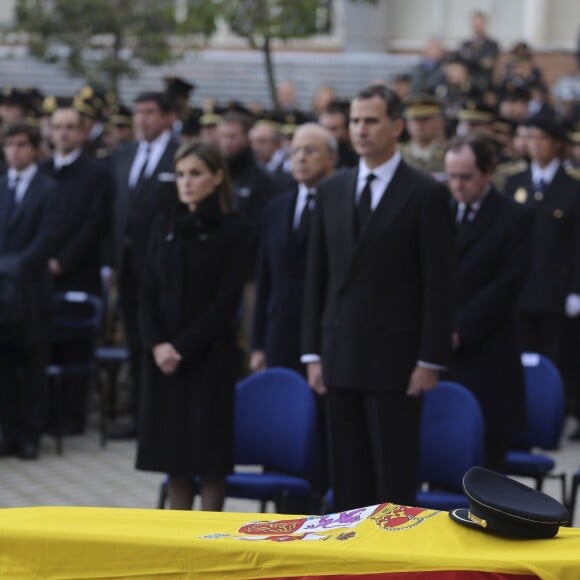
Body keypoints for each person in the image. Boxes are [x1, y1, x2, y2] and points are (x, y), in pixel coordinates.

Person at [301, 85, 455, 511]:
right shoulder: (332, 191)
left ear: (397, 127)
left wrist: (429, 360)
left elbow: (439, 285)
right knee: (347, 483)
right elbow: (317, 278)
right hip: (340, 355)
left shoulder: (425, 193)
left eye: (371, 121)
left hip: (397, 362)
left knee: (392, 485)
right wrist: (312, 353)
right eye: (354, 121)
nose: (360, 130)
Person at [136, 141, 251, 511]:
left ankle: (210, 545)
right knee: (175, 462)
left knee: (210, 460)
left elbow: (226, 302)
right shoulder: (165, 223)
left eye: (196, 174)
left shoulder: (235, 229)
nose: (186, 183)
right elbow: (147, 290)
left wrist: (182, 347)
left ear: (217, 178)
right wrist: (157, 344)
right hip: (164, 359)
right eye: (181, 174)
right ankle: (177, 546)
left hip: (208, 359)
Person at [444, 135, 533, 472]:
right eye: (452, 177)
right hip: (443, 359)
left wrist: (460, 329)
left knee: (486, 472)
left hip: (489, 357)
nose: (458, 185)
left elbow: (507, 286)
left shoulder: (515, 218)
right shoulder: (440, 211)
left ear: (487, 172)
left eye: (465, 177)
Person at [503, 112, 580, 434]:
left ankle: (562, 413)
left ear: (557, 143)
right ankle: (525, 416)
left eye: (542, 138)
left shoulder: (572, 186)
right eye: (530, 137)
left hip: (556, 287)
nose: (534, 145)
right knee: (522, 356)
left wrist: (577, 289)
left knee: (559, 356)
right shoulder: (514, 182)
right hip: (521, 287)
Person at [111, 91, 180, 439]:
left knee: (159, 341)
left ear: (168, 117)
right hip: (127, 269)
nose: (142, 119)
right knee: (135, 344)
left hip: (162, 268)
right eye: (138, 113)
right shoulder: (123, 155)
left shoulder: (179, 153)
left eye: (150, 113)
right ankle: (139, 418)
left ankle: (160, 420)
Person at [40, 105, 112, 434]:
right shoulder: (42, 171)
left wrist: (62, 262)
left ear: (83, 132)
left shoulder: (96, 173)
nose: (64, 133)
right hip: (39, 274)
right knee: (42, 346)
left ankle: (71, 418)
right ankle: (44, 414)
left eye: (71, 127)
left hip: (78, 272)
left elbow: (93, 225)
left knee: (75, 346)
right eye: (58, 127)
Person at [0, 122, 62, 459]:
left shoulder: (48, 189)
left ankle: (30, 435)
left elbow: (49, 238)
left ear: (36, 148)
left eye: (21, 144)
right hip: (2, 296)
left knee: (33, 366)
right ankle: (8, 431)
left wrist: (13, 265)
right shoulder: (1, 187)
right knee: (5, 369)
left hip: (32, 293)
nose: (14, 151)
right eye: (9, 145)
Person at [399, 94, 446, 176]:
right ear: (407, 123)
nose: (420, 124)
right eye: (415, 119)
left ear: (438, 122)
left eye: (425, 119)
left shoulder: (449, 155)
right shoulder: (398, 156)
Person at [457, 11, 500, 90]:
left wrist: (470, 58)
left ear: (485, 25)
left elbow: (489, 63)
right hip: (467, 84)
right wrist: (479, 61)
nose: (478, 27)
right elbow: (461, 63)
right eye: (476, 24)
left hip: (485, 85)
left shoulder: (492, 45)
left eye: (480, 24)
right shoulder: (465, 44)